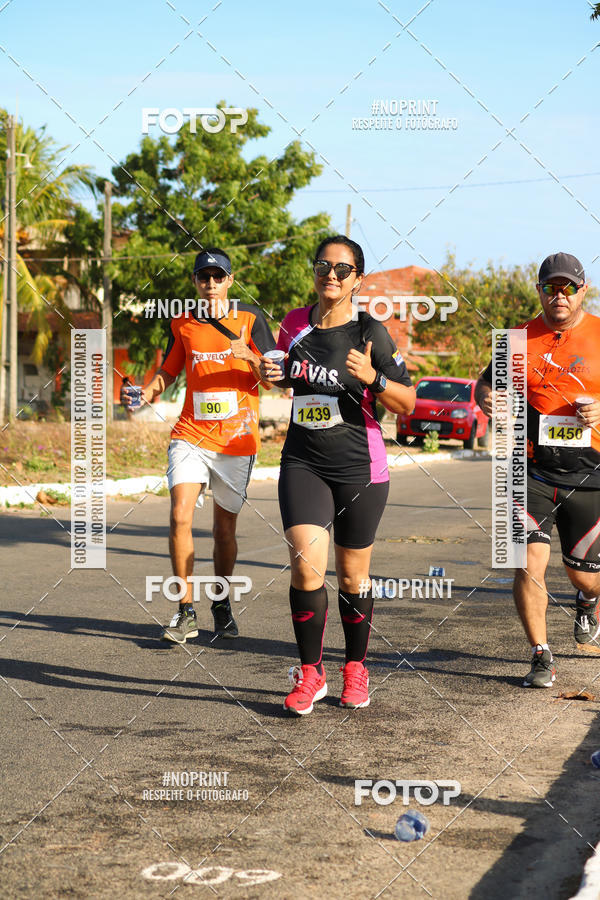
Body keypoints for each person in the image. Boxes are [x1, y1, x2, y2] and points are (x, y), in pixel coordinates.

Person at [260, 235, 415, 715]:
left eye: (343, 269)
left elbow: (407, 403)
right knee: (306, 564)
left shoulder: (372, 333)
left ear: (358, 279)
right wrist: (272, 372)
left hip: (359, 467)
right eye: (324, 265)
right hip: (302, 460)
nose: (331, 274)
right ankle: (310, 674)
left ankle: (355, 668)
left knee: (352, 576)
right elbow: (285, 373)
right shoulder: (291, 325)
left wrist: (374, 378)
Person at [128, 248, 276, 643]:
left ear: (230, 280)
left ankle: (222, 603)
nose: (210, 283)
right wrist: (148, 391)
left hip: (236, 438)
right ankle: (184, 611)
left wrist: (250, 356)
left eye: (217, 276)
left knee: (223, 529)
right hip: (190, 434)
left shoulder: (250, 319)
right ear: (194, 282)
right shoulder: (184, 322)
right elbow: (168, 371)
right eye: (202, 277)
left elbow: (275, 378)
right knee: (179, 515)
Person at [475, 252, 600, 688]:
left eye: (568, 288)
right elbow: (487, 382)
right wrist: (485, 397)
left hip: (591, 474)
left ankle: (587, 600)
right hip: (527, 468)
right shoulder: (517, 338)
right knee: (528, 563)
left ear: (584, 290)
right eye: (551, 287)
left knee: (586, 575)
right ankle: (540, 654)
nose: (559, 296)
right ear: (540, 291)